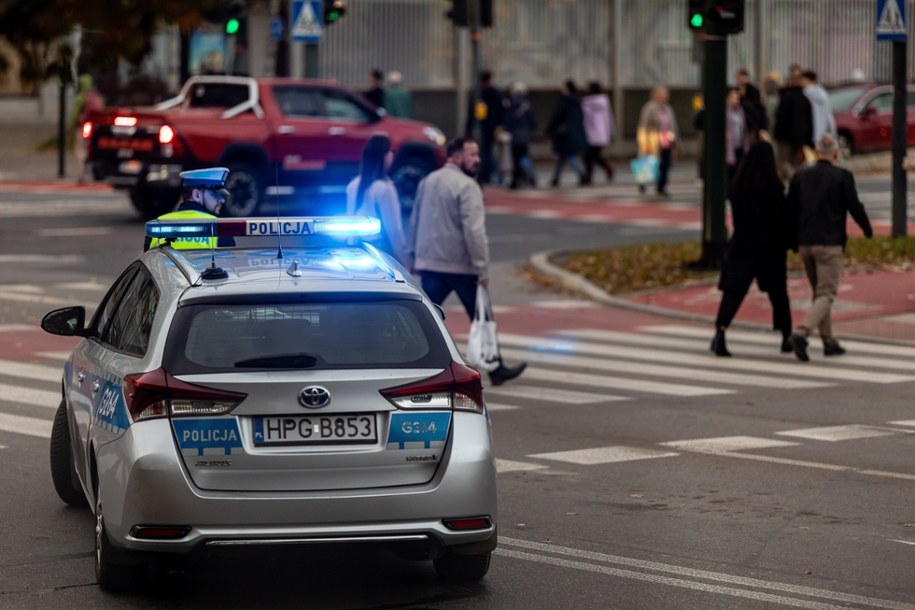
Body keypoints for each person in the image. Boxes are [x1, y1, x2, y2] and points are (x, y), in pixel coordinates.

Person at [408, 137, 526, 386]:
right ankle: (495, 367)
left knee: (425, 317)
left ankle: (409, 362)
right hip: (461, 265)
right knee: (482, 316)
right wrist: (481, 266)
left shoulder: (428, 181)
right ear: (457, 157)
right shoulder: (467, 186)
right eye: (472, 155)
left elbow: (415, 219)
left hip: (430, 262)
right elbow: (474, 232)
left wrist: (413, 254)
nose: (478, 159)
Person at [786, 133, 873, 362]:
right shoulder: (842, 176)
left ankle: (829, 341)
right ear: (835, 154)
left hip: (805, 242)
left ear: (816, 152)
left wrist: (791, 240)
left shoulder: (801, 175)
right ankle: (801, 333)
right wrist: (866, 229)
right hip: (829, 243)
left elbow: (790, 209)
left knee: (819, 294)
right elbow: (854, 206)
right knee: (826, 293)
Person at [710, 141, 792, 357]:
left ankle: (720, 332)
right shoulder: (774, 188)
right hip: (769, 248)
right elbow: (782, 219)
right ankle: (786, 336)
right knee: (778, 294)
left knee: (733, 292)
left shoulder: (738, 187)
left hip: (743, 245)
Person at [345, 134, 411, 267]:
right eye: (390, 151)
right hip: (380, 251)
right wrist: (406, 261)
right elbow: (394, 229)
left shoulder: (353, 185)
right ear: (383, 157)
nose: (392, 155)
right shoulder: (385, 188)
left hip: (355, 249)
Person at [144, 167, 235, 251]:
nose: (222, 200)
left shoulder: (158, 226)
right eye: (215, 194)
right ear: (196, 195)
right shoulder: (219, 229)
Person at [636, 85, 680, 196]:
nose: (663, 98)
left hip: (666, 140)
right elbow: (644, 124)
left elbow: (673, 125)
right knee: (650, 162)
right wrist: (644, 139)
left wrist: (676, 140)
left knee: (665, 163)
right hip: (653, 140)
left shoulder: (668, 108)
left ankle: (661, 186)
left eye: (665, 96)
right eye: (661, 95)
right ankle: (643, 182)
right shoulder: (649, 108)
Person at [464, 70, 504, 186]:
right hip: (491, 127)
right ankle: (490, 175)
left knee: (482, 152)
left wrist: (468, 128)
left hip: (480, 127)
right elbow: (501, 111)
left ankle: (485, 175)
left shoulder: (478, 93)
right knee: (488, 151)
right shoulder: (496, 93)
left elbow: (471, 112)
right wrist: (499, 126)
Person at [545, 79, 587, 187]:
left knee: (568, 155)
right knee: (563, 156)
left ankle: (582, 173)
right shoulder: (578, 101)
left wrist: (549, 130)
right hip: (574, 132)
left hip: (564, 133)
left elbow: (557, 117)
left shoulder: (564, 101)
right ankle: (556, 177)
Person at [773, 73, 813, 182]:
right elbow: (809, 121)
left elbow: (781, 118)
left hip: (785, 137)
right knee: (795, 163)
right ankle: (795, 188)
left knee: (783, 162)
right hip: (800, 138)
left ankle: (795, 181)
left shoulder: (786, 97)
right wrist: (808, 139)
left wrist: (776, 133)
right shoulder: (805, 99)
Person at [68, 74, 103, 185]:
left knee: (79, 150)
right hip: (94, 127)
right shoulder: (95, 96)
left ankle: (81, 175)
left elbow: (74, 115)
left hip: (81, 126)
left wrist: (69, 127)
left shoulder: (80, 98)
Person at [502, 81, 537, 189]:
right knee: (524, 156)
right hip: (525, 133)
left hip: (515, 134)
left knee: (517, 158)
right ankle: (530, 177)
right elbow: (532, 121)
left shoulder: (512, 104)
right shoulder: (526, 104)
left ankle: (518, 179)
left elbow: (508, 120)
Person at [581, 81, 615, 184]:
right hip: (601, 134)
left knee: (589, 156)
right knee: (594, 155)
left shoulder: (585, 102)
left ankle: (590, 176)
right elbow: (608, 118)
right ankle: (606, 168)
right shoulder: (604, 102)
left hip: (589, 132)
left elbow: (584, 119)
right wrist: (611, 132)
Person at [800, 70, 836, 143]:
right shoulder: (823, 93)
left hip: (809, 131)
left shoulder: (804, 94)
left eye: (802, 79)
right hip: (822, 131)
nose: (800, 82)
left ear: (807, 80)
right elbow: (828, 112)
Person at [725, 87, 749, 181]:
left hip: (739, 143)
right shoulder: (725, 111)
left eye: (737, 98)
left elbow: (744, 129)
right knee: (730, 171)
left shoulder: (740, 111)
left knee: (738, 171)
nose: (735, 100)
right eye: (733, 97)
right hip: (729, 145)